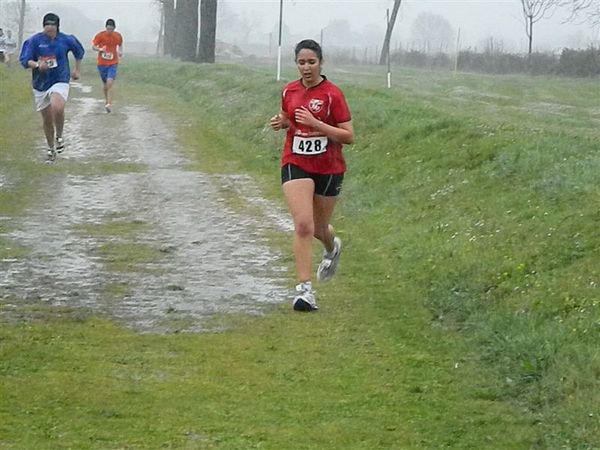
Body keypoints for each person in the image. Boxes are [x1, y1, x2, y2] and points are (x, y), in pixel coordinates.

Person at [270, 39, 354, 312]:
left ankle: (332, 248)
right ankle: (304, 291)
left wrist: (318, 124)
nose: (306, 68)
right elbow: (289, 117)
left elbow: (349, 136)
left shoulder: (333, 94)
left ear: (321, 62)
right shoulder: (289, 90)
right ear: (296, 64)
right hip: (296, 161)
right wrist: (282, 122)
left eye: (311, 62)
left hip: (329, 167)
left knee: (319, 228)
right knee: (304, 225)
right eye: (301, 62)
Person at [19, 13, 85, 161]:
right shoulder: (34, 41)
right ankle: (50, 148)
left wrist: (77, 69)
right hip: (40, 83)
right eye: (47, 25)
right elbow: (24, 60)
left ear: (57, 27)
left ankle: (60, 137)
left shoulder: (66, 39)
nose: (49, 28)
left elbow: (79, 52)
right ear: (43, 26)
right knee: (47, 119)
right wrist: (37, 65)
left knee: (57, 106)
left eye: (52, 25)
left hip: (60, 78)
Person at [91, 18, 123, 113]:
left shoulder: (117, 36)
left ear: (114, 28)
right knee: (105, 85)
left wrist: (120, 51)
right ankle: (106, 101)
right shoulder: (100, 35)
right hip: (102, 64)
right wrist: (100, 49)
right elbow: (93, 46)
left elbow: (120, 45)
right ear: (106, 28)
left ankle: (109, 103)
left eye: (111, 29)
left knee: (110, 82)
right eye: (108, 29)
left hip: (113, 63)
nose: (110, 31)